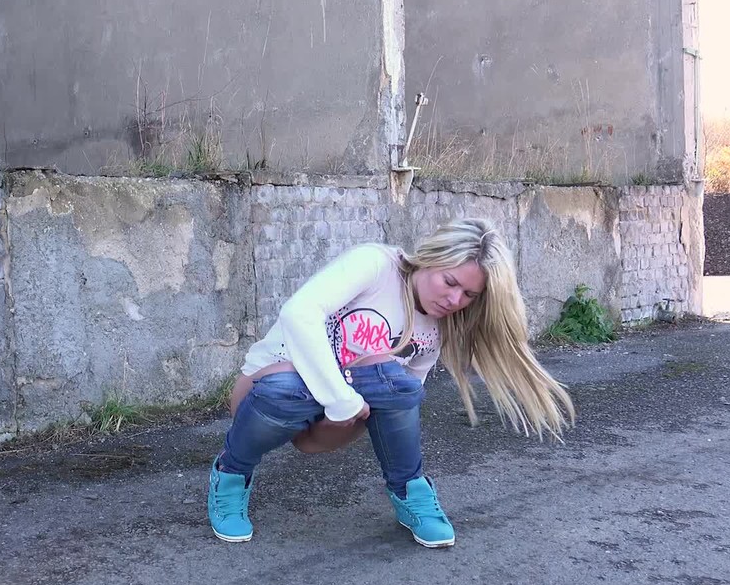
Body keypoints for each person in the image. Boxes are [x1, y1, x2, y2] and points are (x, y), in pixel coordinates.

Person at [207, 217, 575, 547]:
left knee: (399, 384)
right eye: (450, 281)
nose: (454, 299)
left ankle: (410, 491)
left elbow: (399, 403)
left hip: (335, 419)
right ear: (430, 257)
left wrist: (344, 412)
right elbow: (298, 313)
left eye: (468, 295)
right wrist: (341, 399)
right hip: (267, 396)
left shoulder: (435, 330)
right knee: (292, 385)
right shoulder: (376, 265)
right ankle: (231, 471)